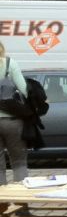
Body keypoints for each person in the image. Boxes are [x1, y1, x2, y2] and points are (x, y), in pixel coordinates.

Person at [0, 42, 30, 186]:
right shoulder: (10, 64)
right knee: (19, 161)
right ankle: (21, 196)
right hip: (13, 121)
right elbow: (24, 90)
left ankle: (1, 198)